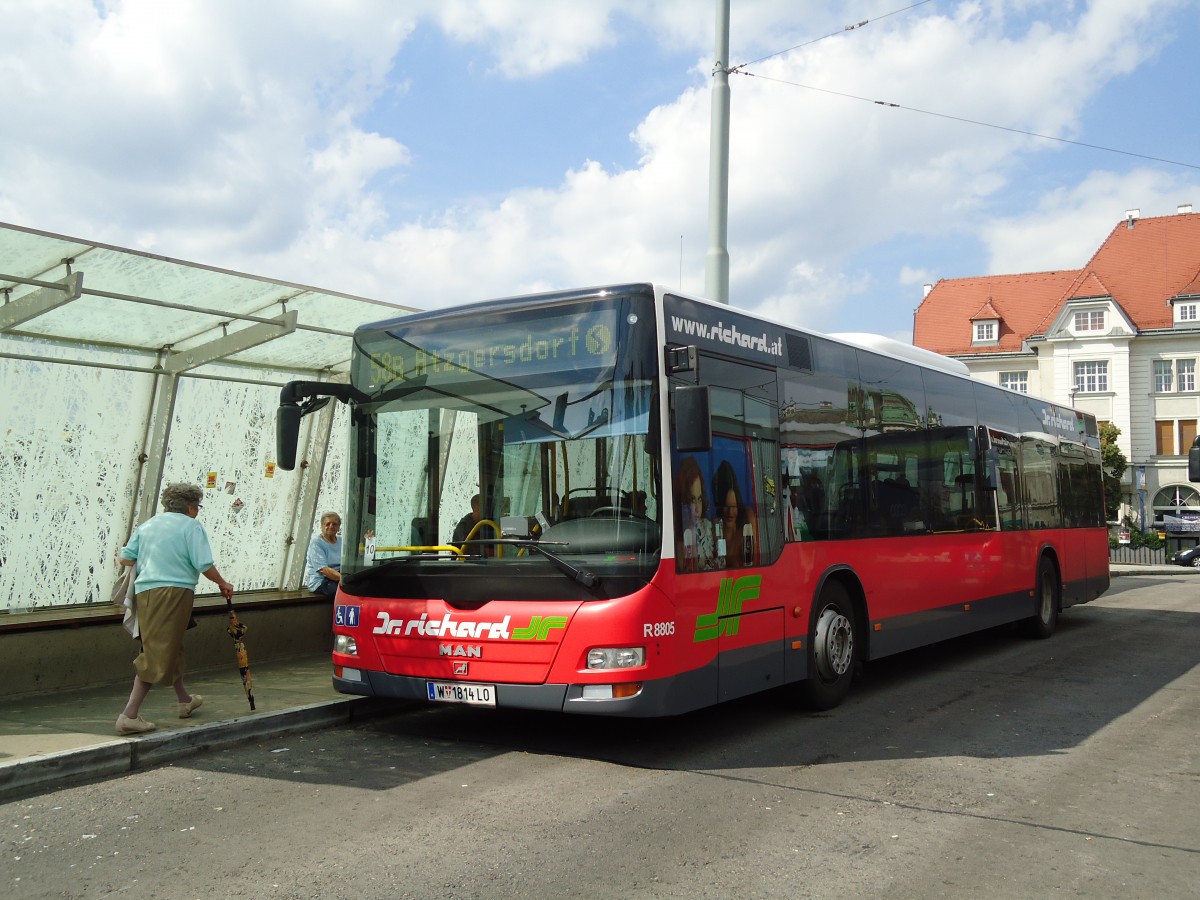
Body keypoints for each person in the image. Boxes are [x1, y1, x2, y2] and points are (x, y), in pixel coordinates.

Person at [115, 482, 234, 735]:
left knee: (169, 644)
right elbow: (203, 563)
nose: (198, 511)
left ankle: (184, 700)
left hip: (145, 592)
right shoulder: (191, 526)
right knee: (157, 651)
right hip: (174, 592)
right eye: (198, 507)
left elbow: (125, 557)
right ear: (191, 507)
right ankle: (129, 715)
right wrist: (222, 583)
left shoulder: (148, 525)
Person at [675, 456, 715, 571]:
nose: (697, 508)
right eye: (692, 500)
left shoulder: (710, 529)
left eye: (700, 499)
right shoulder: (673, 536)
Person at [713, 460, 753, 567]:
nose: (730, 512)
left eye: (734, 506)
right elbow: (719, 563)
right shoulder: (716, 527)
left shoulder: (748, 521)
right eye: (726, 506)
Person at [304, 511, 343, 596]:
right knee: (344, 591)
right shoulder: (316, 543)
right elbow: (324, 570)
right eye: (327, 524)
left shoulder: (341, 541)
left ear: (339, 527)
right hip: (321, 581)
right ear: (322, 526)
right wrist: (344, 579)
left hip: (338, 578)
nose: (331, 526)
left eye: (335, 524)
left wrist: (368, 540)